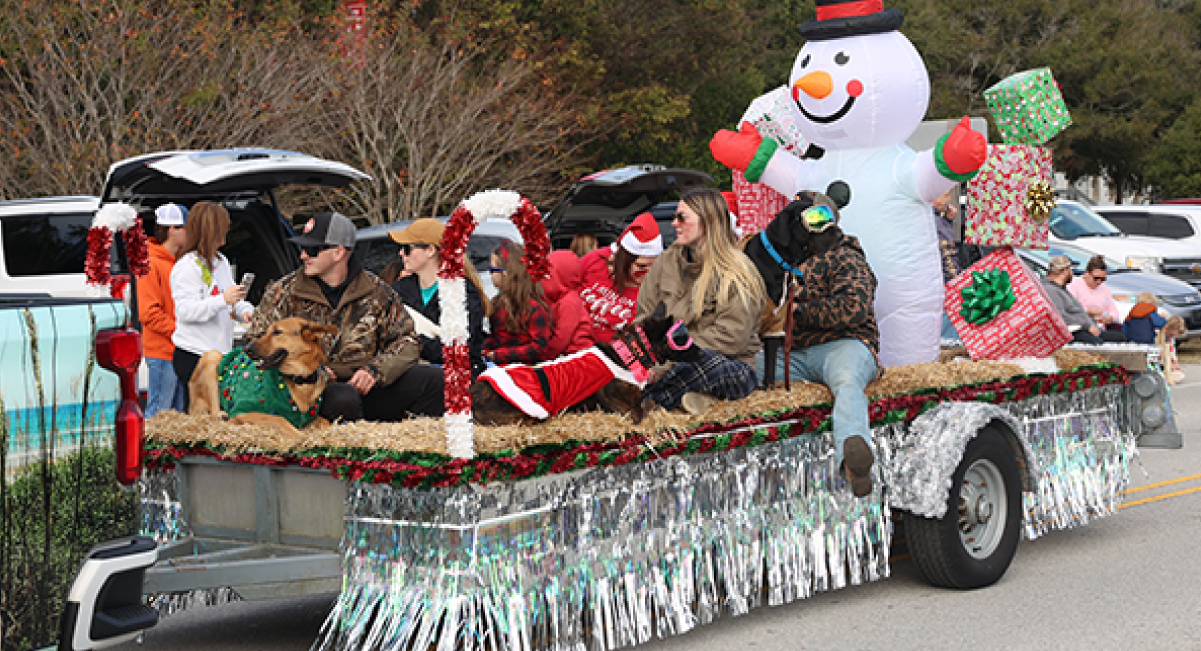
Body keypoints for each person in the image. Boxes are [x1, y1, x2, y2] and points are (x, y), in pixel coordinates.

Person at [248, 211, 443, 421]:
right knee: (343, 398)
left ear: (338, 253)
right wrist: (317, 374)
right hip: (310, 393)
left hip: (369, 388)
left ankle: (402, 441)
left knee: (436, 380)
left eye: (312, 249)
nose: (303, 255)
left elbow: (408, 341)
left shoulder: (377, 291)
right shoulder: (283, 292)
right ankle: (347, 447)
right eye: (302, 248)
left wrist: (374, 372)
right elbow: (256, 342)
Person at [755, 192, 879, 497]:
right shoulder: (784, 263)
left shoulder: (846, 257)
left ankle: (854, 457)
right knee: (751, 371)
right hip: (793, 354)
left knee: (847, 381)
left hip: (845, 345)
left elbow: (855, 306)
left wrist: (796, 311)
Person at [635, 188, 764, 415]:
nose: (674, 223)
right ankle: (693, 400)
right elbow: (643, 317)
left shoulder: (739, 272)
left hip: (725, 364)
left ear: (707, 222)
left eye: (682, 217)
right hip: (666, 362)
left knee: (706, 365)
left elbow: (729, 339)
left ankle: (648, 402)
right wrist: (645, 361)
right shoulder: (665, 262)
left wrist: (667, 362)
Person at [170, 201, 254, 408]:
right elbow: (186, 311)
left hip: (220, 355)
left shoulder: (220, 261)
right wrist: (223, 300)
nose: (227, 231)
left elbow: (232, 299)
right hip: (194, 354)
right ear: (211, 229)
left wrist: (245, 311)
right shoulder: (187, 267)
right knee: (202, 417)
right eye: (223, 226)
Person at [388, 218, 489, 377]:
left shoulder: (461, 293)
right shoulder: (399, 289)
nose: (401, 253)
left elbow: (459, 351)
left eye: (407, 248)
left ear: (430, 250)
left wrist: (412, 342)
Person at [579, 212, 662, 343]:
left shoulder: (657, 292)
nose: (647, 272)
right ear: (624, 260)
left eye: (654, 265)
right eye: (641, 266)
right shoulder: (597, 260)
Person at [139, 203, 188, 416]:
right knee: (159, 416)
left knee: (174, 418)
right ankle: (148, 451)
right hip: (161, 352)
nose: (191, 234)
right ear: (172, 230)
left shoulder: (174, 263)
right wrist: (181, 331)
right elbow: (148, 313)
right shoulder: (150, 264)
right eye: (187, 228)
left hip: (175, 350)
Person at [484, 240, 553, 364]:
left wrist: (499, 355)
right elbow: (495, 336)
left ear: (505, 273)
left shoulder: (534, 308)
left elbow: (539, 348)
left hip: (527, 372)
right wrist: (485, 349)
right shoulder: (497, 303)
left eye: (492, 269)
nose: (490, 275)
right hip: (500, 369)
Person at [1041, 255, 1123, 344]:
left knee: (1120, 338)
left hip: (1089, 327)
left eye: (1102, 279)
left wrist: (1102, 320)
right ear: (1065, 271)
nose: (1073, 273)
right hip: (1073, 331)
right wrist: (1087, 325)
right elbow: (1059, 316)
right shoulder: (1052, 290)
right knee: (1097, 344)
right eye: (1071, 270)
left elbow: (1113, 311)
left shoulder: (1062, 289)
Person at [542, 250, 595, 358]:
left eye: (547, 274)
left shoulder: (569, 303)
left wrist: (545, 356)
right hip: (569, 355)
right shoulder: (558, 299)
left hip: (578, 356)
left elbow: (562, 338)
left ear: (561, 276)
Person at [1069, 255, 1122, 330]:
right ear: (1087, 272)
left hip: (1101, 326)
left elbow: (1113, 310)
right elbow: (1070, 308)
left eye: (1103, 279)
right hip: (1083, 327)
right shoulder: (1074, 285)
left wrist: (1110, 317)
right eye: (1096, 278)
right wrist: (1087, 311)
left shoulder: (1104, 288)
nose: (1099, 282)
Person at [933, 187, 961, 283]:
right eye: (946, 196)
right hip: (944, 281)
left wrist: (947, 220)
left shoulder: (933, 217)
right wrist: (956, 281)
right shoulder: (938, 223)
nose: (948, 199)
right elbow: (948, 257)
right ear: (935, 198)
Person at [1158, 315, 1186, 385]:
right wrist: (1167, 365)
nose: (1171, 337)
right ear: (1167, 328)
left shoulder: (1170, 339)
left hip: (1165, 364)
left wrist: (1175, 363)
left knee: (1180, 375)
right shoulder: (1158, 335)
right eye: (1171, 334)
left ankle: (1164, 377)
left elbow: (1172, 351)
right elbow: (1156, 354)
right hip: (1156, 363)